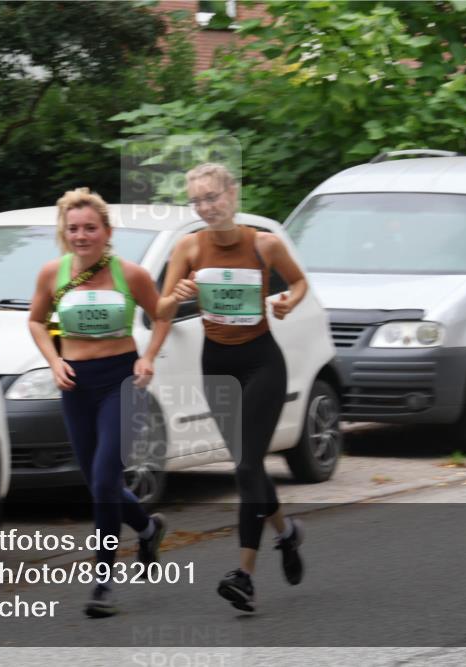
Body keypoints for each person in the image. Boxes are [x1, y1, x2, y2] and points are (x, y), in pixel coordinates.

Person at [157, 163, 309, 612]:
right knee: (251, 468)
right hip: (216, 366)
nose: (206, 207)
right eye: (198, 201)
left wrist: (288, 302)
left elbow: (299, 282)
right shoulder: (187, 248)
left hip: (263, 362)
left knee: (245, 466)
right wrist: (178, 294)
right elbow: (162, 308)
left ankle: (244, 575)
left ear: (233, 194)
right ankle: (285, 532)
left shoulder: (265, 244)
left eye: (213, 197)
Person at [28, 188, 171, 618]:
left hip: (119, 382)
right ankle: (147, 528)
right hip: (75, 385)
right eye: (73, 229)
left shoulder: (131, 274)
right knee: (97, 483)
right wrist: (53, 361)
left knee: (106, 480)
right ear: (64, 232)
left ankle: (103, 582)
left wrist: (148, 357)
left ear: (107, 232)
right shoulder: (52, 273)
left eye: (91, 228)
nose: (82, 235)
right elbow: (36, 321)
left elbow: (162, 314)